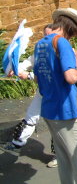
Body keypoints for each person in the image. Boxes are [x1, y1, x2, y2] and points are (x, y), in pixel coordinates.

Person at [33, 8, 77, 183]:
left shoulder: (40, 44)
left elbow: (37, 78)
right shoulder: (63, 43)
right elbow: (71, 77)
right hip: (65, 110)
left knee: (65, 161)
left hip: (49, 108)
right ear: (71, 28)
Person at [0, 25, 59, 168]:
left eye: (49, 36)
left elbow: (53, 73)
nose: (47, 39)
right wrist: (15, 69)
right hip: (43, 90)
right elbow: (28, 62)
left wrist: (29, 75)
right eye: (45, 35)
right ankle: (18, 142)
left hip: (58, 93)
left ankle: (59, 155)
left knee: (56, 125)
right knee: (31, 115)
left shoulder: (60, 51)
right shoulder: (40, 50)